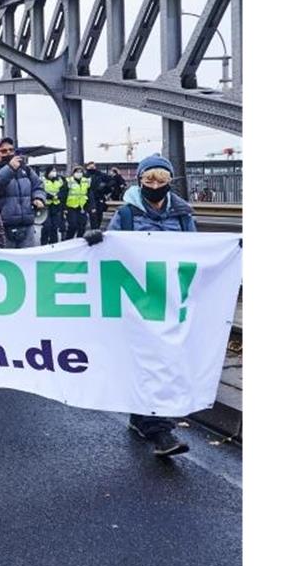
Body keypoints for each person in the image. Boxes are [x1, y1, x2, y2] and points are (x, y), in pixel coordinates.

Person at [84, 153, 195, 457]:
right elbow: (112, 247)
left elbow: (195, 253)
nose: (155, 184)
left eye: (161, 179)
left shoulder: (183, 214)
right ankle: (159, 429)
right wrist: (96, 240)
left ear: (170, 181)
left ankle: (145, 419)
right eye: (149, 179)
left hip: (169, 300)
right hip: (137, 299)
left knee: (163, 359)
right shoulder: (128, 214)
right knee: (147, 359)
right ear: (140, 181)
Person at [0, 138, 45, 248]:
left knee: (28, 260)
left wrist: (38, 198)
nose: (8, 153)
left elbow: (38, 186)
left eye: (11, 150)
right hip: (2, 228)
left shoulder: (26, 170)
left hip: (27, 227)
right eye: (4, 151)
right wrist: (10, 168)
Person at [40, 166, 68, 245]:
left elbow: (64, 190)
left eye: (55, 170)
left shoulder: (60, 180)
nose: (54, 172)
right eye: (52, 171)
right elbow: (40, 191)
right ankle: (44, 243)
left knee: (55, 227)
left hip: (56, 206)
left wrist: (58, 195)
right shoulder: (43, 180)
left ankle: (54, 243)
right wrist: (49, 196)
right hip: (46, 206)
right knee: (47, 226)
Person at [63, 164, 91, 240]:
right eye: (77, 172)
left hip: (82, 207)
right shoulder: (69, 181)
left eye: (80, 172)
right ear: (73, 173)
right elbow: (63, 195)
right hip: (71, 207)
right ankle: (68, 240)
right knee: (73, 225)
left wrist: (91, 206)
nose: (79, 173)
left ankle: (79, 242)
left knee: (82, 226)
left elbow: (89, 194)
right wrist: (64, 208)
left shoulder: (85, 181)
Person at [84, 161, 111, 230]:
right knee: (93, 215)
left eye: (93, 166)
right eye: (90, 166)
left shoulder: (100, 175)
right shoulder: (85, 176)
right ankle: (94, 229)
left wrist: (104, 187)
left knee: (99, 215)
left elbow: (111, 182)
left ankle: (97, 229)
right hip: (89, 198)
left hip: (99, 197)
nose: (92, 167)